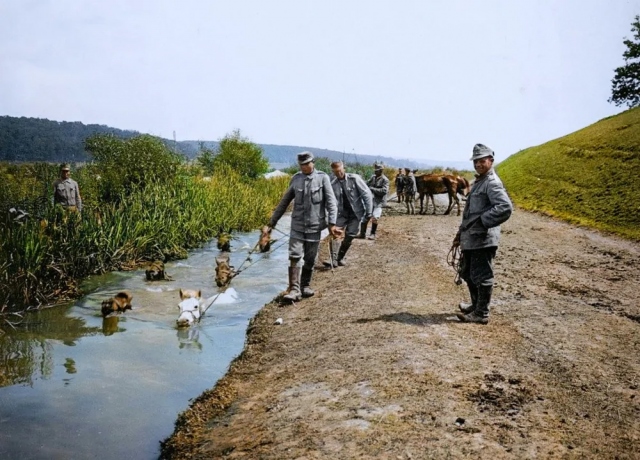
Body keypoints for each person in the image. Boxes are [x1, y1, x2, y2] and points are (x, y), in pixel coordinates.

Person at [267, 152, 340, 302]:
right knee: (294, 255)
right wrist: (271, 224)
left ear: (313, 162)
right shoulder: (296, 179)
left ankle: (305, 286)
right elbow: (284, 203)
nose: (305, 167)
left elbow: (332, 203)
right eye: (302, 165)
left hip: (315, 226)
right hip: (297, 226)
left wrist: (332, 224)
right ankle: (294, 289)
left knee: (310, 258)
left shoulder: (323, 178)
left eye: (307, 164)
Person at [453, 144, 512, 324]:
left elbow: (505, 207)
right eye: (476, 161)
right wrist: (459, 235)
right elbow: (470, 213)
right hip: (472, 236)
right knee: (468, 272)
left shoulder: (492, 182)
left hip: (483, 238)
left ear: (491, 161)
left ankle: (481, 313)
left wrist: (482, 221)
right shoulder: (480, 181)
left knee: (482, 275)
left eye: (482, 161)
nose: (478, 164)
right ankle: (476, 304)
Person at [323, 161, 373, 268]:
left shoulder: (354, 179)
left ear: (343, 169)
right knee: (335, 232)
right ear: (333, 172)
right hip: (341, 213)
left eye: (340, 171)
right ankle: (333, 259)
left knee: (350, 235)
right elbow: (330, 202)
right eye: (336, 172)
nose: (338, 173)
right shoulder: (333, 184)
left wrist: (369, 212)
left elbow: (367, 194)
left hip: (356, 213)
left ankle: (340, 257)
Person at [359, 163, 389, 240]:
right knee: (366, 216)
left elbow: (384, 191)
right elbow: (366, 184)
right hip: (370, 201)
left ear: (381, 171)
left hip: (379, 202)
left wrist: (372, 189)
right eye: (375, 171)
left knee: (375, 218)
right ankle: (362, 234)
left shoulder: (385, 180)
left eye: (377, 171)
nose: (375, 172)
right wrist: (361, 180)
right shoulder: (373, 177)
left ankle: (372, 234)